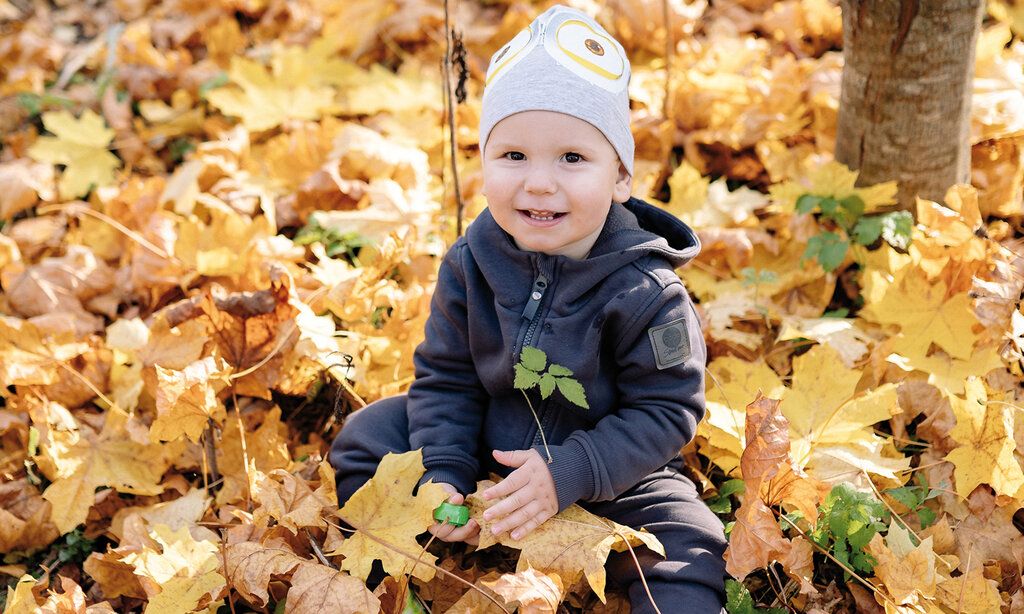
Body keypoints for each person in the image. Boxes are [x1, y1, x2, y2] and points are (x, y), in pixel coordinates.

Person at [330, 4, 728, 611]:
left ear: (620, 176)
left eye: (572, 158)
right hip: (489, 446)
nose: (539, 182)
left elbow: (666, 411)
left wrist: (570, 471)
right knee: (367, 438)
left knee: (683, 538)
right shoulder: (471, 261)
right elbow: (447, 377)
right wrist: (445, 468)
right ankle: (419, 546)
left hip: (605, 470)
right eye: (513, 156)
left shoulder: (647, 292)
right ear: (484, 162)